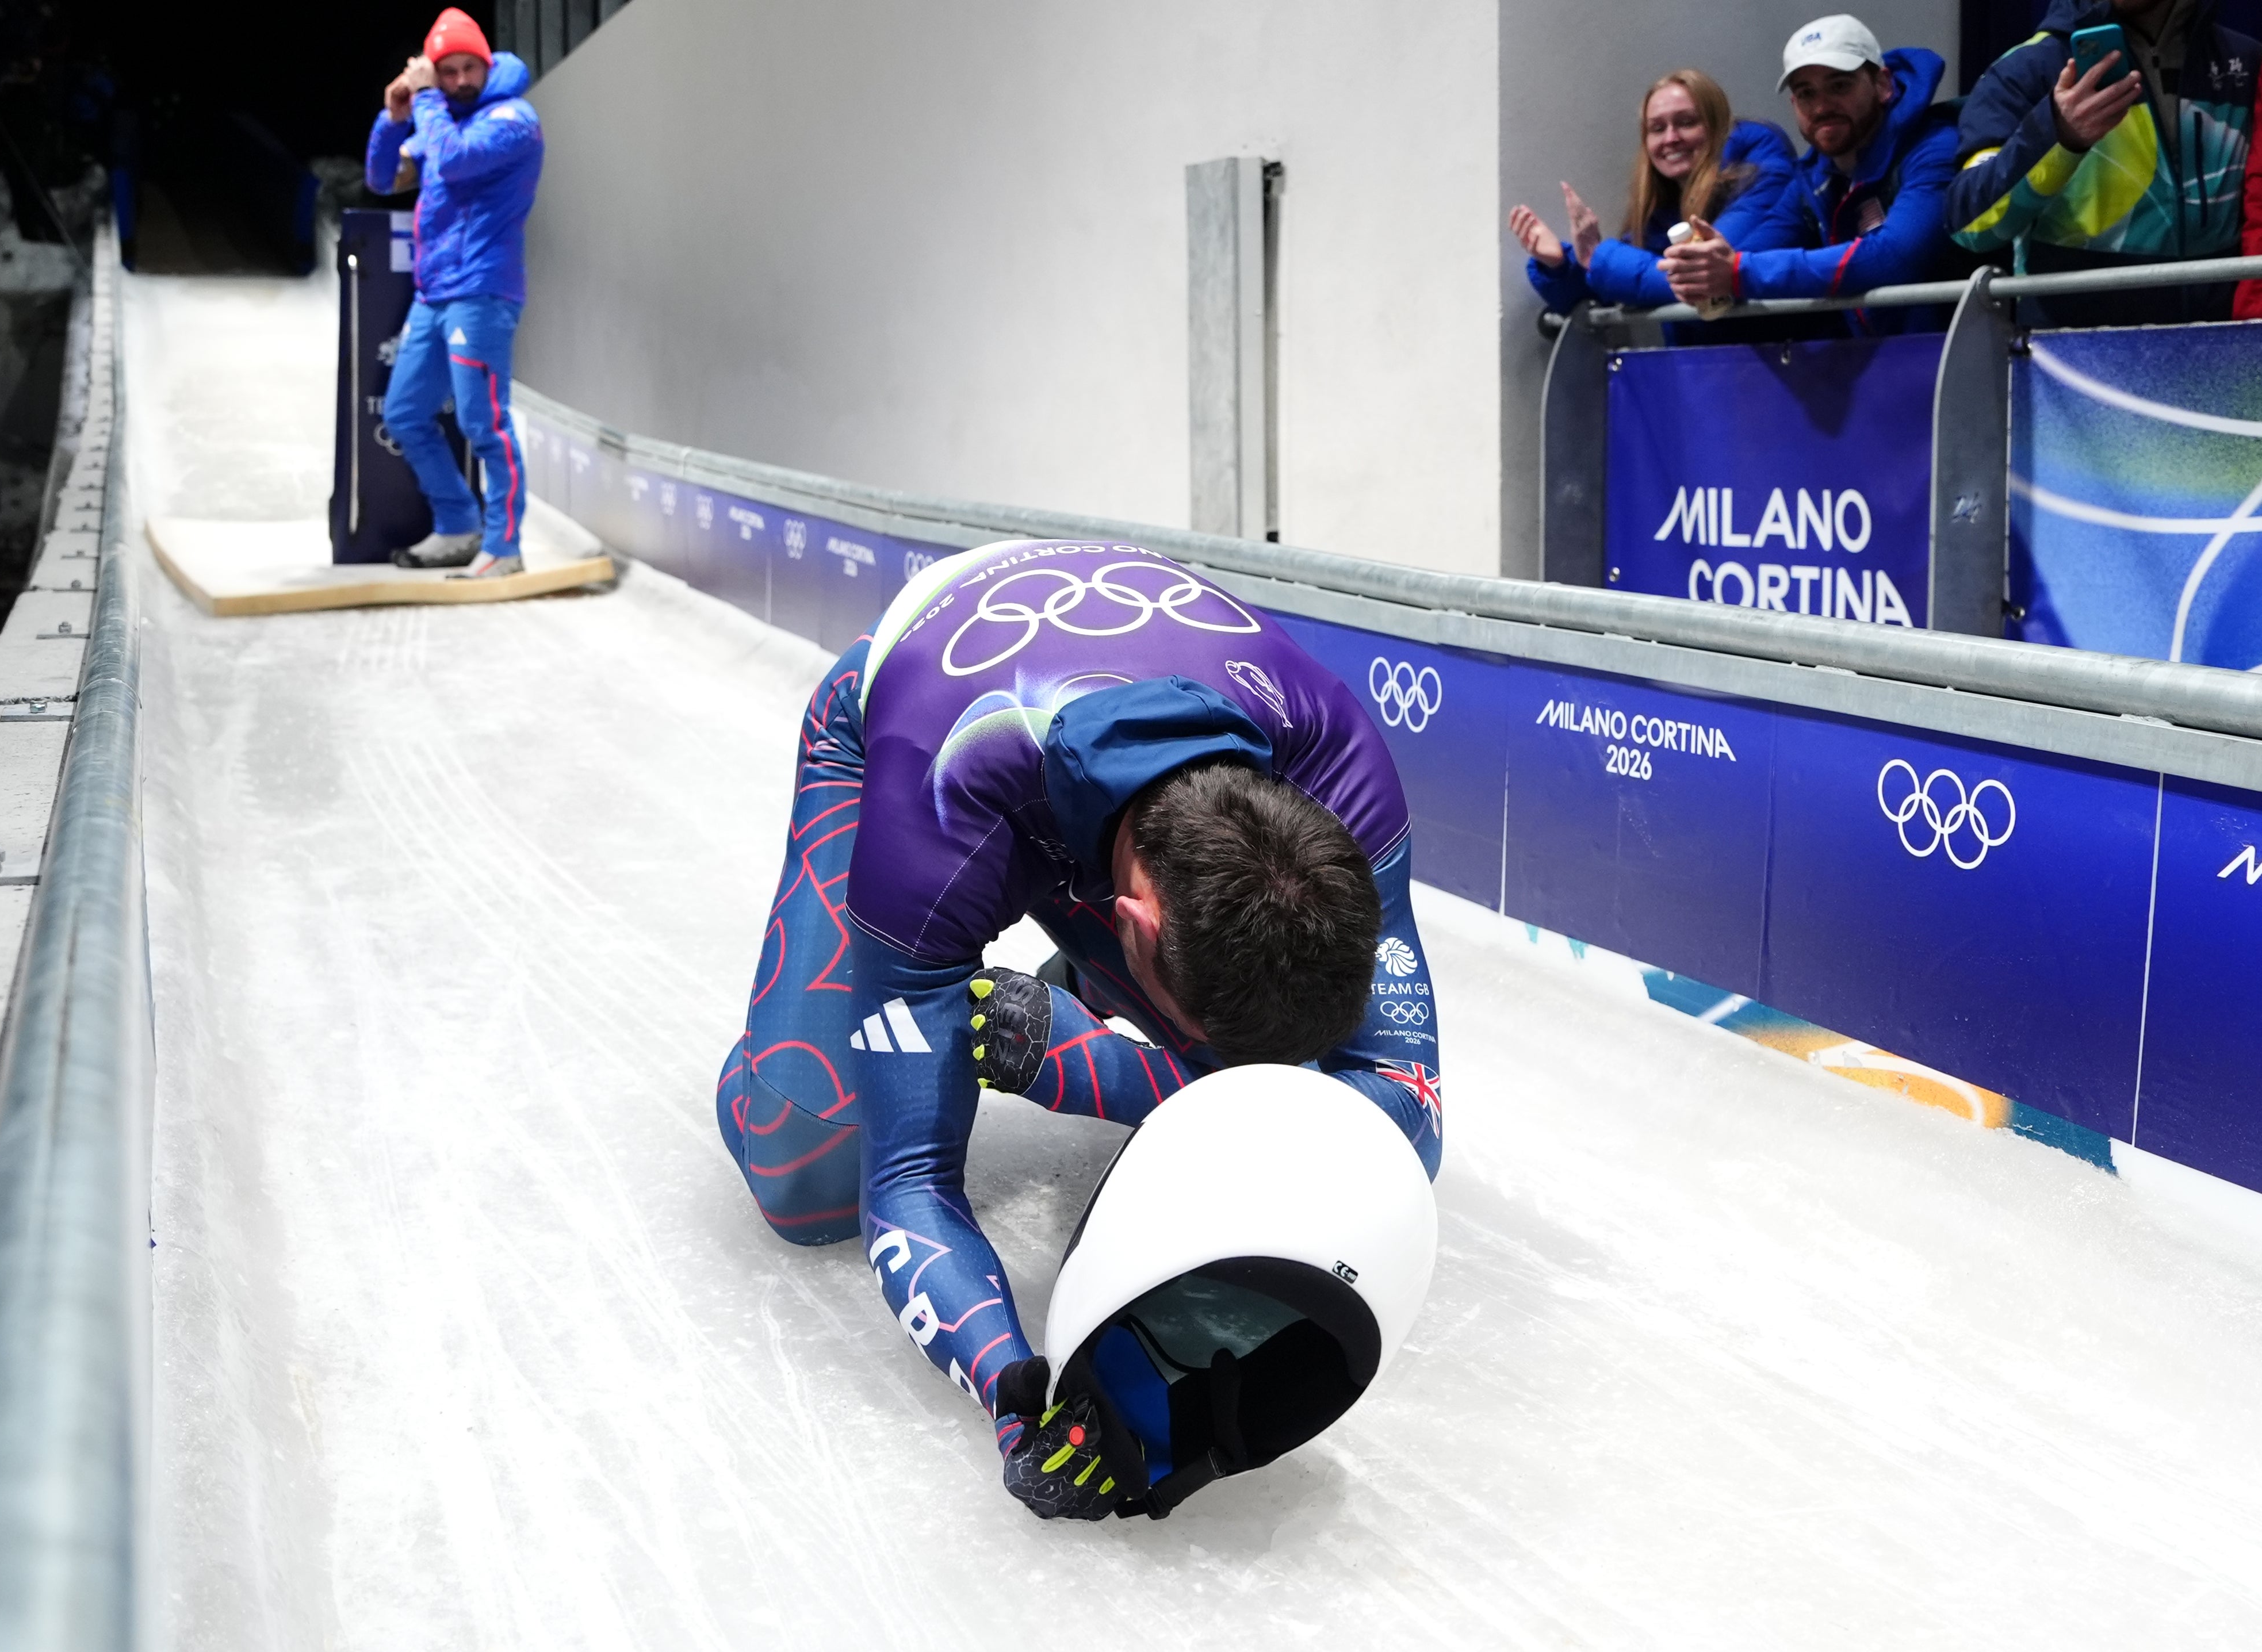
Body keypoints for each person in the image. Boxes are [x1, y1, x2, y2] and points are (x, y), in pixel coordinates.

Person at [714, 539, 1446, 1519]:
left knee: (1293, 1081)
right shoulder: (936, 811)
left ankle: (1091, 1006)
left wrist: (1087, 1068)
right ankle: (810, 1034)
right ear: (1137, 928)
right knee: (805, 1170)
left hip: (1111, 764)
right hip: (929, 729)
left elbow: (1407, 1105)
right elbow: (905, 1183)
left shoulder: (1336, 776)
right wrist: (1014, 1391)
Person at [363, 9, 544, 577]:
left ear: (487, 67)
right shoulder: (441, 120)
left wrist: (425, 104)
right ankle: (458, 524)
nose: (462, 80)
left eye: (472, 68)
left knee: (484, 422)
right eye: (449, 71)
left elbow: (457, 162)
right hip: (434, 292)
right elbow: (380, 179)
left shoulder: (512, 118)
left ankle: (504, 546)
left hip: (484, 292)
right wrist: (393, 117)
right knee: (405, 413)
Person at [1950, 0, 2259, 328]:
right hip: (2071, 358)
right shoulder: (2029, 67)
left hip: (2217, 350)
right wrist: (2059, 136)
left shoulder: (2244, 61)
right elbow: (1971, 227)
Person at [1662, 15, 1961, 333]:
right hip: (1881, 367)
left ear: (1883, 85)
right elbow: (1750, 254)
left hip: (1963, 365)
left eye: (1839, 85)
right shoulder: (1813, 178)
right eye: (1806, 94)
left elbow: (1893, 257)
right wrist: (1708, 268)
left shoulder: (1935, 147)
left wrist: (1736, 272)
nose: (1821, 107)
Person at [1509, 69, 1800, 316]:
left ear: (1718, 126)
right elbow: (1615, 291)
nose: (1671, 139)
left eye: (1686, 122)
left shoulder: (1762, 171)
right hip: (1703, 370)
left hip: (1791, 368)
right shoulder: (1664, 204)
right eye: (1657, 128)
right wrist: (1561, 265)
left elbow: (1698, 278)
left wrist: (1598, 257)